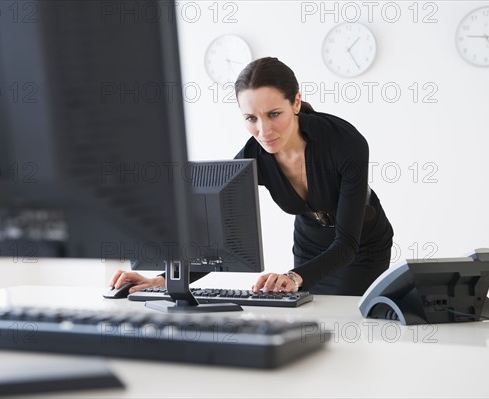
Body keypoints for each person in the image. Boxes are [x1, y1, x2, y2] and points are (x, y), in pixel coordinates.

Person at [109, 57, 394, 296]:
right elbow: (215, 241)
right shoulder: (251, 158)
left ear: (296, 102)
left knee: (348, 327)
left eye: (273, 114)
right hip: (309, 249)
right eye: (251, 118)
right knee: (312, 325)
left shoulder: (345, 143)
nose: (264, 131)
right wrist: (162, 280)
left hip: (360, 249)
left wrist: (294, 277)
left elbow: (346, 245)